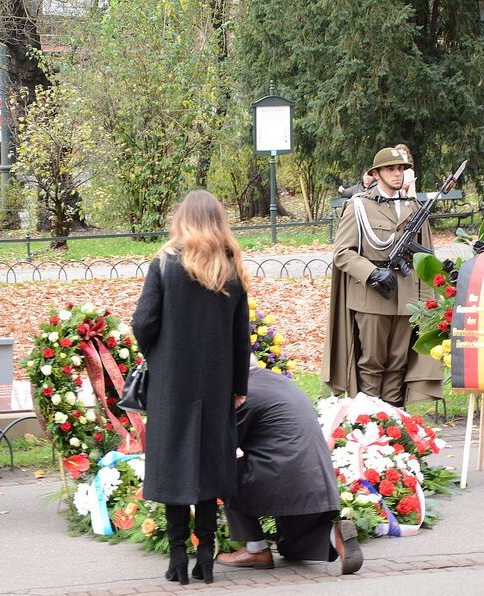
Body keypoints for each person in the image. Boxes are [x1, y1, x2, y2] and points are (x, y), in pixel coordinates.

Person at [132, 189, 251, 585]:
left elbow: (143, 323)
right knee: (207, 468)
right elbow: (240, 336)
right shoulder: (231, 266)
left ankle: (178, 559)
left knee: (175, 469)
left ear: (182, 218)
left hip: (171, 383)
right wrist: (238, 385)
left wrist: (157, 353)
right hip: (216, 383)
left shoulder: (165, 263)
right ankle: (206, 558)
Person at [218, 359, 363, 575]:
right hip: (318, 481)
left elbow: (223, 444)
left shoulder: (246, 393)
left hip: (285, 478)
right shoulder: (279, 383)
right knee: (291, 546)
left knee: (224, 471)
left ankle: (256, 548)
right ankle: (335, 535)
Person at [321, 147, 442, 406]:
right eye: (391, 169)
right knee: (372, 362)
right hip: (372, 295)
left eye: (401, 169)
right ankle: (368, 420)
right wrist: (372, 272)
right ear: (376, 173)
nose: (397, 174)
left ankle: (393, 421)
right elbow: (342, 253)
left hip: (406, 296)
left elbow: (426, 255)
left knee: (398, 361)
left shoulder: (413, 206)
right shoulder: (359, 207)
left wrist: (429, 299)